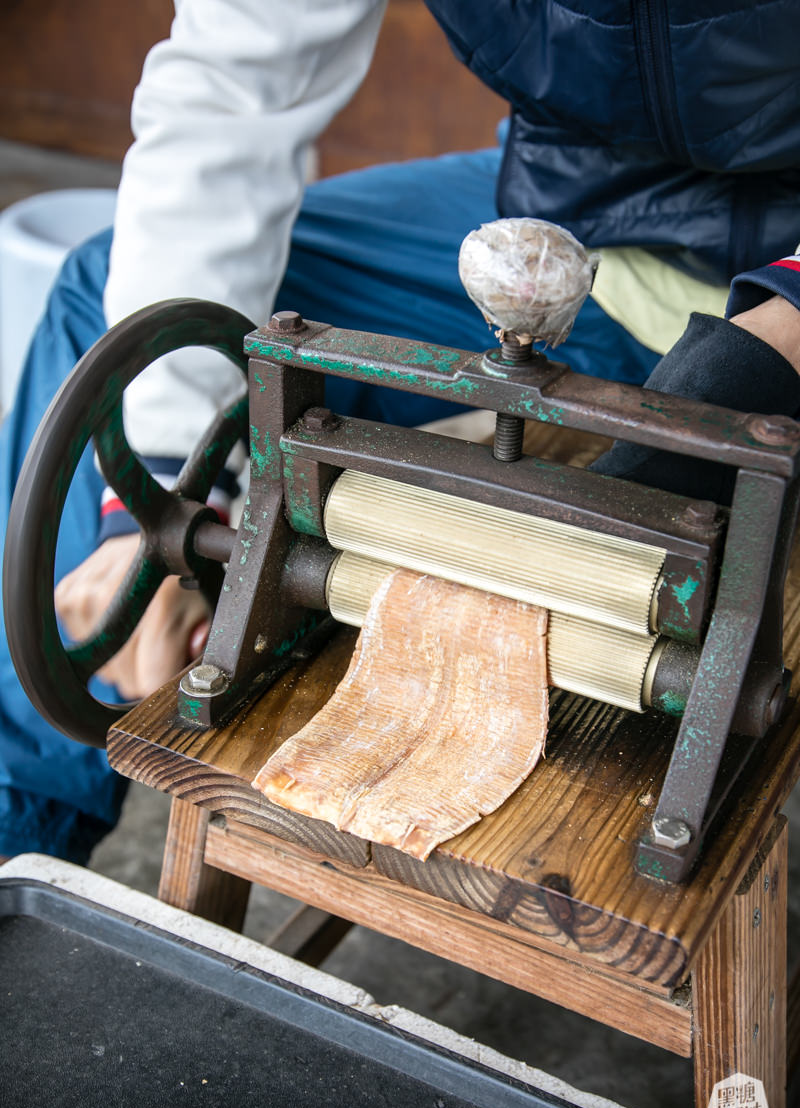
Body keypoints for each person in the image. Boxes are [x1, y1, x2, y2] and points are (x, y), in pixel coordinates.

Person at [1, 0, 800, 863]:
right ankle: (23, 843)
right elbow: (238, 84)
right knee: (102, 295)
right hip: (593, 212)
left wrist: (777, 330)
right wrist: (153, 493)